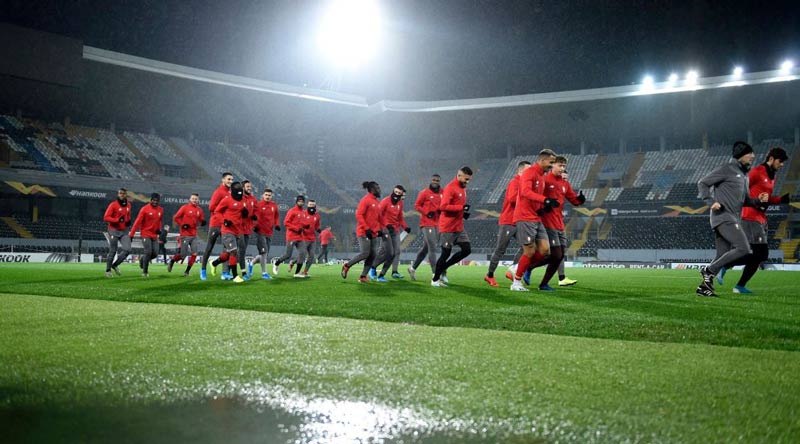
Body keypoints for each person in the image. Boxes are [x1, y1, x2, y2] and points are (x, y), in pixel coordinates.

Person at [696, 141, 769, 297]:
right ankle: (708, 270)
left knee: (721, 256)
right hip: (723, 216)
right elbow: (702, 183)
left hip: (732, 218)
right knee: (744, 248)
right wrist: (710, 202)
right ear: (741, 155)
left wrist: (758, 201)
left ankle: (704, 288)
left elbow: (746, 201)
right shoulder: (726, 169)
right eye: (750, 153)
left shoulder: (744, 176)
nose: (753, 156)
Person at [716, 146, 790, 293]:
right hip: (750, 217)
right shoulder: (757, 172)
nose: (782, 165)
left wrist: (780, 199)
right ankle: (725, 266)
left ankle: (739, 285)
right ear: (771, 159)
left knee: (756, 256)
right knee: (761, 254)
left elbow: (766, 199)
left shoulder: (771, 177)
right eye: (780, 161)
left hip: (761, 219)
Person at [510, 149, 558, 291]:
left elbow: (535, 198)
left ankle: (519, 268)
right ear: (542, 160)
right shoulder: (529, 173)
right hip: (524, 217)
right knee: (529, 251)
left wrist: (544, 207)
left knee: (545, 250)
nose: (552, 165)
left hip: (535, 217)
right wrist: (545, 199)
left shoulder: (541, 177)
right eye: (551, 162)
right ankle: (516, 282)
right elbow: (525, 192)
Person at [537, 156, 586, 290]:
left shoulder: (565, 184)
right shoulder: (545, 180)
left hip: (559, 223)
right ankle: (527, 271)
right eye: (560, 165)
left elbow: (574, 200)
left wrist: (580, 200)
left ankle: (548, 281)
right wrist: (542, 207)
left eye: (564, 166)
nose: (562, 168)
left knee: (559, 255)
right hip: (547, 222)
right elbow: (536, 196)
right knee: (555, 255)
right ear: (552, 165)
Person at [485, 161, 531, 287]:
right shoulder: (514, 182)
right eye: (528, 170)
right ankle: (489, 275)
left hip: (519, 221)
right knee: (500, 249)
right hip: (508, 221)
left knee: (526, 247)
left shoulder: (525, 184)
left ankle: (513, 270)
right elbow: (511, 199)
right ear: (520, 171)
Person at [431, 167, 473, 287]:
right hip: (448, 227)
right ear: (459, 175)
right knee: (445, 253)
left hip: (458, 226)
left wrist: (463, 213)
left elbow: (457, 205)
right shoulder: (450, 188)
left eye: (469, 180)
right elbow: (443, 206)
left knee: (467, 249)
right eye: (466, 179)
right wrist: (460, 208)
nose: (467, 182)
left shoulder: (462, 188)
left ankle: (444, 267)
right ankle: (435, 280)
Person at [342, 181, 382, 283]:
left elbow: (378, 219)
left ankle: (363, 276)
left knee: (373, 255)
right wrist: (367, 228)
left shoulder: (377, 202)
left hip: (373, 233)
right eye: (378, 188)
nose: (379, 189)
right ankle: (347, 265)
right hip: (364, 232)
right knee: (365, 253)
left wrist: (379, 230)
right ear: (372, 189)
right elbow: (359, 215)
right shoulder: (365, 200)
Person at [209, 181, 247, 283]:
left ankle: (214, 263)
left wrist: (245, 213)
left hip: (238, 230)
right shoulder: (226, 200)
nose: (240, 195)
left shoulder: (243, 200)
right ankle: (235, 276)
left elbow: (242, 211)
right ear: (233, 191)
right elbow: (217, 211)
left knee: (229, 253)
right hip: (227, 231)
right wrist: (224, 221)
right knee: (234, 252)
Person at [408, 174, 443, 281]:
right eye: (434, 180)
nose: (435, 182)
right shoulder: (424, 192)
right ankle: (435, 275)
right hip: (426, 223)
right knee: (433, 247)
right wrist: (427, 212)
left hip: (438, 223)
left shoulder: (443, 192)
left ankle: (412, 268)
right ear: (430, 180)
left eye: (437, 180)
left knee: (426, 248)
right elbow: (417, 205)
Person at [373, 185, 410, 281]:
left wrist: (405, 227)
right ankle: (373, 267)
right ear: (393, 190)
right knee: (388, 253)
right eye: (396, 192)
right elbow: (378, 214)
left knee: (395, 252)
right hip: (385, 229)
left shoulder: (400, 203)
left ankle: (383, 274)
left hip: (395, 230)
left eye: (399, 193)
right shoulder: (385, 201)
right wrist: (385, 225)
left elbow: (400, 217)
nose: (397, 194)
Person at [201, 172, 233, 280]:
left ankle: (225, 273)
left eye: (231, 179)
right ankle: (203, 270)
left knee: (227, 249)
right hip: (216, 224)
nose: (230, 181)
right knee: (209, 247)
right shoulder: (218, 192)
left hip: (225, 226)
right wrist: (222, 219)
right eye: (228, 179)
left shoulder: (230, 193)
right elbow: (211, 208)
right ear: (223, 180)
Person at [168, 193, 206, 276]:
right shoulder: (184, 207)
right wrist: (182, 225)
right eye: (193, 198)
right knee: (182, 255)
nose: (194, 200)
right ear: (190, 199)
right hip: (185, 235)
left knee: (194, 253)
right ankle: (172, 261)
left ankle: (187, 271)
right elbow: (176, 217)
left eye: (196, 199)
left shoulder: (199, 210)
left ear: (198, 200)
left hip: (194, 235)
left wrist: (203, 222)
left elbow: (201, 219)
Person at [129, 193, 164, 277]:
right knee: (148, 252)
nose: (155, 202)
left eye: (157, 201)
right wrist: (131, 234)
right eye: (153, 200)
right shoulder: (144, 209)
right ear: (150, 200)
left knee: (155, 253)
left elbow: (159, 221)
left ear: (159, 201)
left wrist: (159, 229)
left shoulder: (161, 210)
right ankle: (145, 272)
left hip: (154, 235)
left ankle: (142, 259)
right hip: (145, 234)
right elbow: (137, 222)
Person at [103, 188, 133, 277]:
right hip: (113, 230)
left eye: (123, 193)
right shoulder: (113, 205)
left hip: (124, 231)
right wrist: (116, 220)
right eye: (120, 193)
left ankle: (115, 265)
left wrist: (128, 221)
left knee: (128, 249)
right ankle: (108, 270)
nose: (122, 195)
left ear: (126, 195)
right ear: (118, 194)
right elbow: (106, 217)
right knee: (113, 250)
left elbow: (127, 216)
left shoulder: (128, 205)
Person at [272, 195, 306, 275]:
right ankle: (276, 263)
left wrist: (305, 226)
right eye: (299, 201)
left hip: (300, 237)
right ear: (296, 202)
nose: (300, 202)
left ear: (304, 202)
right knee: (288, 255)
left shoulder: (303, 212)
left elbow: (301, 223)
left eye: (302, 201)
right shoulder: (292, 211)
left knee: (303, 253)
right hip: (291, 236)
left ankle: (297, 273)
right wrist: (296, 229)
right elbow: (286, 222)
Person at [252, 188, 280, 279]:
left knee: (265, 253)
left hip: (269, 232)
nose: (267, 197)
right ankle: (264, 273)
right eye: (266, 195)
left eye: (269, 195)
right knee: (264, 252)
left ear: (272, 196)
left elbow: (276, 216)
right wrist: (254, 226)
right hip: (260, 232)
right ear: (263, 195)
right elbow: (254, 217)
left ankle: (251, 263)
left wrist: (277, 224)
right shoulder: (258, 205)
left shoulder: (274, 205)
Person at [295, 199, 321, 277]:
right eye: (310, 205)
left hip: (312, 239)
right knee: (303, 254)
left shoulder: (317, 215)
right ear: (307, 205)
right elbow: (298, 223)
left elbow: (316, 225)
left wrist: (318, 229)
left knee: (312, 256)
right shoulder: (303, 213)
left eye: (313, 205)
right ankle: (293, 262)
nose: (311, 206)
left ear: (315, 205)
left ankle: (305, 271)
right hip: (304, 238)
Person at [238, 180, 258, 280]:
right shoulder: (239, 198)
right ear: (242, 187)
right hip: (238, 228)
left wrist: (254, 216)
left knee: (242, 251)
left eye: (250, 187)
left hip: (247, 229)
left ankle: (227, 269)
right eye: (247, 186)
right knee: (240, 250)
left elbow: (256, 211)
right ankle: (243, 272)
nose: (249, 188)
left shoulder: (253, 199)